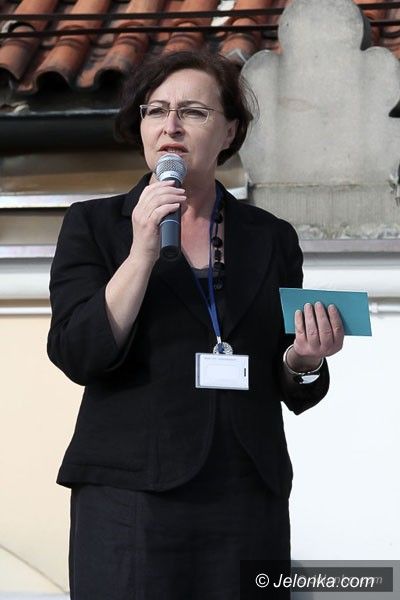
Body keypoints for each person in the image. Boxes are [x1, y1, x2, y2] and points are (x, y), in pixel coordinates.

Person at [47, 50, 344, 600]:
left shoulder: (270, 237)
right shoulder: (94, 225)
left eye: (193, 112)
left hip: (245, 494)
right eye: (156, 110)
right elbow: (77, 351)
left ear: (229, 130)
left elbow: (292, 376)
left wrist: (304, 359)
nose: (171, 126)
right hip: (131, 497)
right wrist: (140, 252)